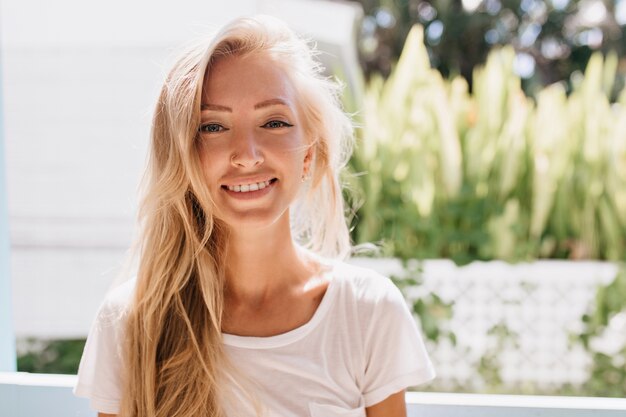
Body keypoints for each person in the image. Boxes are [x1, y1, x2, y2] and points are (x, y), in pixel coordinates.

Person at [73, 15, 435, 417]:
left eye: (274, 122)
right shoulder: (128, 322)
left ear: (308, 155)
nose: (247, 154)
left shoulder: (368, 310)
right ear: (183, 156)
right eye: (213, 126)